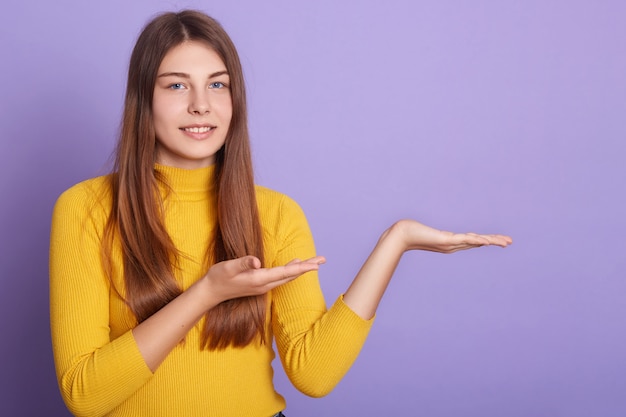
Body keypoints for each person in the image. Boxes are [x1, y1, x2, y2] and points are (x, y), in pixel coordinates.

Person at [49, 9, 512, 417]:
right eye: (176, 85)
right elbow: (84, 396)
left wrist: (397, 241)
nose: (201, 105)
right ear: (142, 100)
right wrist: (207, 293)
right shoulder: (86, 209)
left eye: (217, 85)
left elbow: (313, 374)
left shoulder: (274, 214)